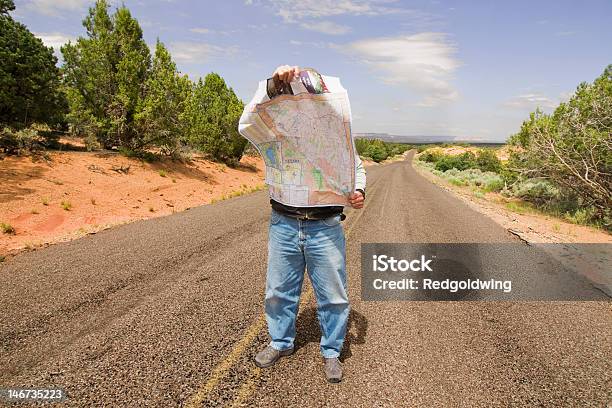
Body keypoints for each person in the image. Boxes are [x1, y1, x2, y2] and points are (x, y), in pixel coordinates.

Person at [254, 65, 366, 383]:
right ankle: (280, 342)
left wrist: (357, 190)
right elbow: (253, 117)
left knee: (333, 295)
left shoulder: (336, 134)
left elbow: (356, 167)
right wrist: (275, 82)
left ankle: (331, 351)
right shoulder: (280, 130)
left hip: (325, 226)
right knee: (278, 291)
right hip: (284, 223)